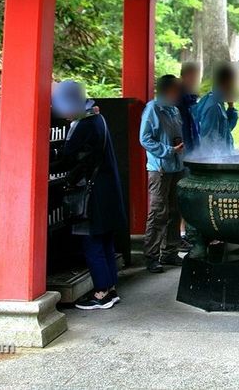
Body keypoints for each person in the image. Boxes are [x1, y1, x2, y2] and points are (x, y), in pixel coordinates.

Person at [50, 80, 126, 310]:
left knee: (92, 244)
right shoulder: (97, 119)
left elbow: (68, 159)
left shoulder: (84, 126)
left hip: (92, 197)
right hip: (107, 193)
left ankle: (102, 293)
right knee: (105, 243)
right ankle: (110, 288)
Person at [140, 74, 187, 273]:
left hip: (177, 167)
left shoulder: (174, 110)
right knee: (158, 212)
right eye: (176, 89)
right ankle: (152, 256)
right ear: (167, 90)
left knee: (175, 211)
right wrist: (168, 151)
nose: (179, 93)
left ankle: (170, 252)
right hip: (159, 169)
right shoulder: (152, 109)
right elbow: (145, 139)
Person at [195, 63, 239, 153]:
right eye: (234, 82)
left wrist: (231, 108)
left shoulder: (219, 102)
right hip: (216, 161)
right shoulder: (213, 106)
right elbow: (209, 142)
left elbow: (226, 130)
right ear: (227, 82)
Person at [177, 62, 201, 152]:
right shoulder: (177, 100)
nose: (194, 80)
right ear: (182, 77)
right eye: (191, 77)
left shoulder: (193, 101)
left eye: (196, 77)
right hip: (181, 151)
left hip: (194, 152)